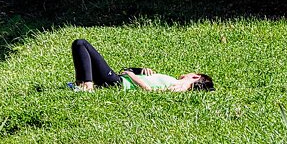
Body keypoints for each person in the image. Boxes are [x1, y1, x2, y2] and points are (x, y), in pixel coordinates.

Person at [70, 38, 214, 92]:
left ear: (195, 76)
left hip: (117, 82)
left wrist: (133, 76)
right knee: (80, 45)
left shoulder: (180, 86)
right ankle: (82, 84)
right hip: (118, 79)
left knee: (81, 44)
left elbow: (149, 89)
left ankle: (87, 85)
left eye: (191, 73)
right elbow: (129, 72)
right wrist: (139, 71)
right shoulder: (175, 82)